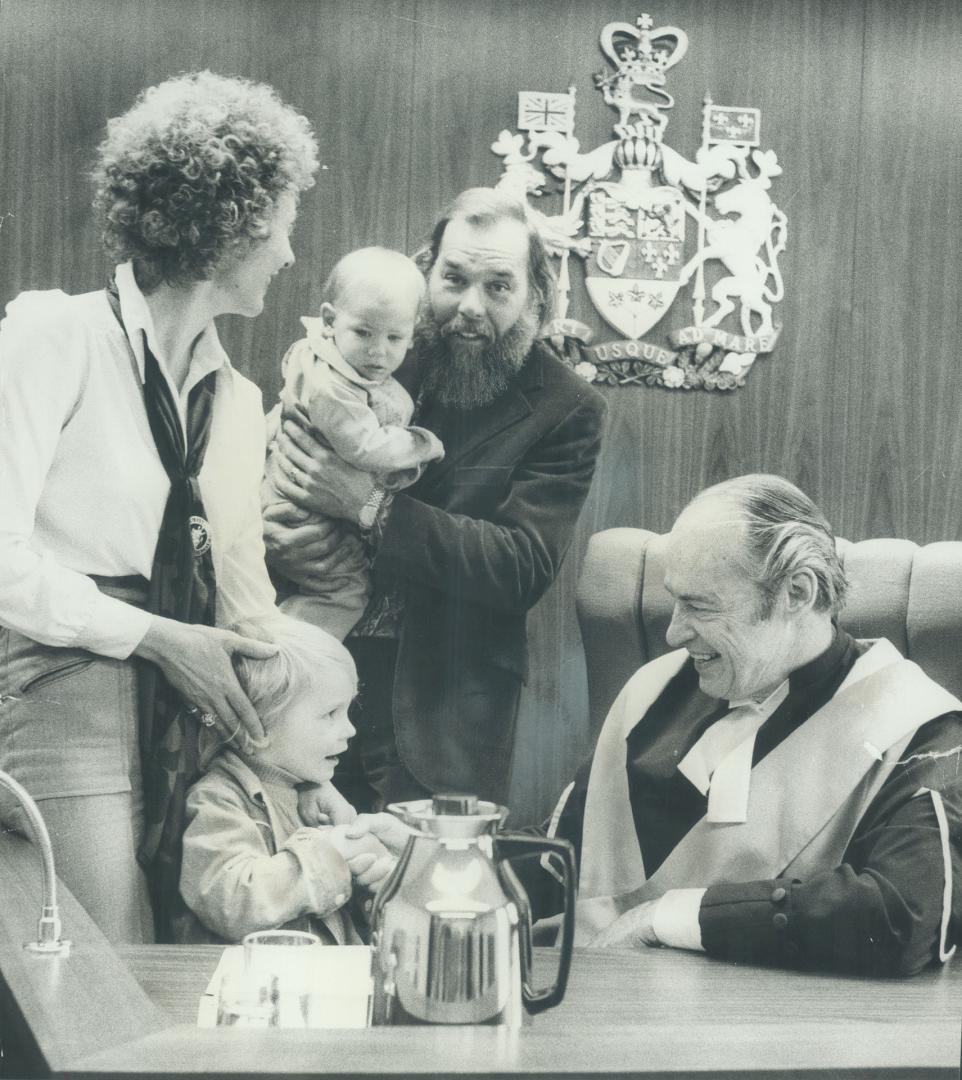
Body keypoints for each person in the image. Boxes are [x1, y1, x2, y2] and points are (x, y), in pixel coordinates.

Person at [0, 71, 318, 943]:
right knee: (113, 953)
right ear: (230, 227)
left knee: (207, 941)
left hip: (193, 679)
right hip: (60, 670)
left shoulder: (242, 401)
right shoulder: (51, 335)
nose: (290, 255)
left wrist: (301, 730)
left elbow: (248, 598)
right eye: (283, 229)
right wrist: (157, 640)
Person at [523, 474, 962, 977]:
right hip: (597, 1005)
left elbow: (902, 918)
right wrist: (440, 851)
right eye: (674, 600)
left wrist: (668, 917)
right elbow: (558, 856)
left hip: (774, 1035)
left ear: (796, 593)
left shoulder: (920, 728)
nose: (672, 632)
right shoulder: (654, 691)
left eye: (700, 606)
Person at [262, 188, 607, 811]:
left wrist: (370, 506)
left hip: (441, 714)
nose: (470, 307)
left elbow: (520, 566)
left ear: (538, 296)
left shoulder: (568, 408)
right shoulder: (376, 348)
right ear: (427, 274)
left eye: (498, 287)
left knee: (426, 900)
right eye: (453, 279)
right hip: (306, 689)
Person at [179, 616, 410, 944]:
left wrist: (377, 882)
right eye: (330, 714)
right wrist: (330, 853)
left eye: (348, 711)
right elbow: (230, 901)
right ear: (257, 724)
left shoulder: (313, 796)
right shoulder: (219, 799)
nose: (350, 730)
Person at [263, 247, 444, 641]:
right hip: (301, 519)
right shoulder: (332, 385)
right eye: (363, 333)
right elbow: (365, 447)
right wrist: (421, 444)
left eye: (394, 337)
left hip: (310, 510)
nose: (378, 352)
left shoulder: (334, 361)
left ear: (412, 334)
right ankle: (279, 656)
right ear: (330, 320)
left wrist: (370, 503)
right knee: (343, 592)